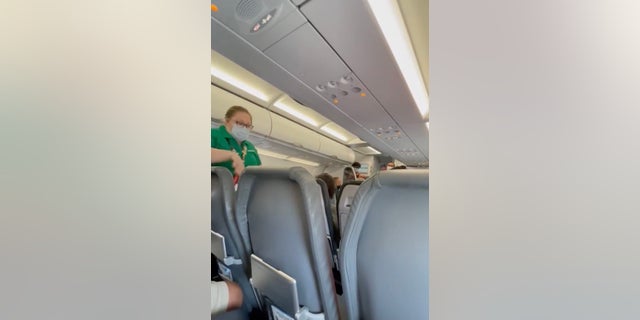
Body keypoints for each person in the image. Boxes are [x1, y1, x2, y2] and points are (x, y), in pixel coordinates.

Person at [211, 106, 261, 177]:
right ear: (226, 121)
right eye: (240, 123)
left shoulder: (250, 147)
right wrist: (231, 155)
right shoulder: (213, 134)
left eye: (248, 126)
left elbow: (260, 171)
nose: (244, 128)